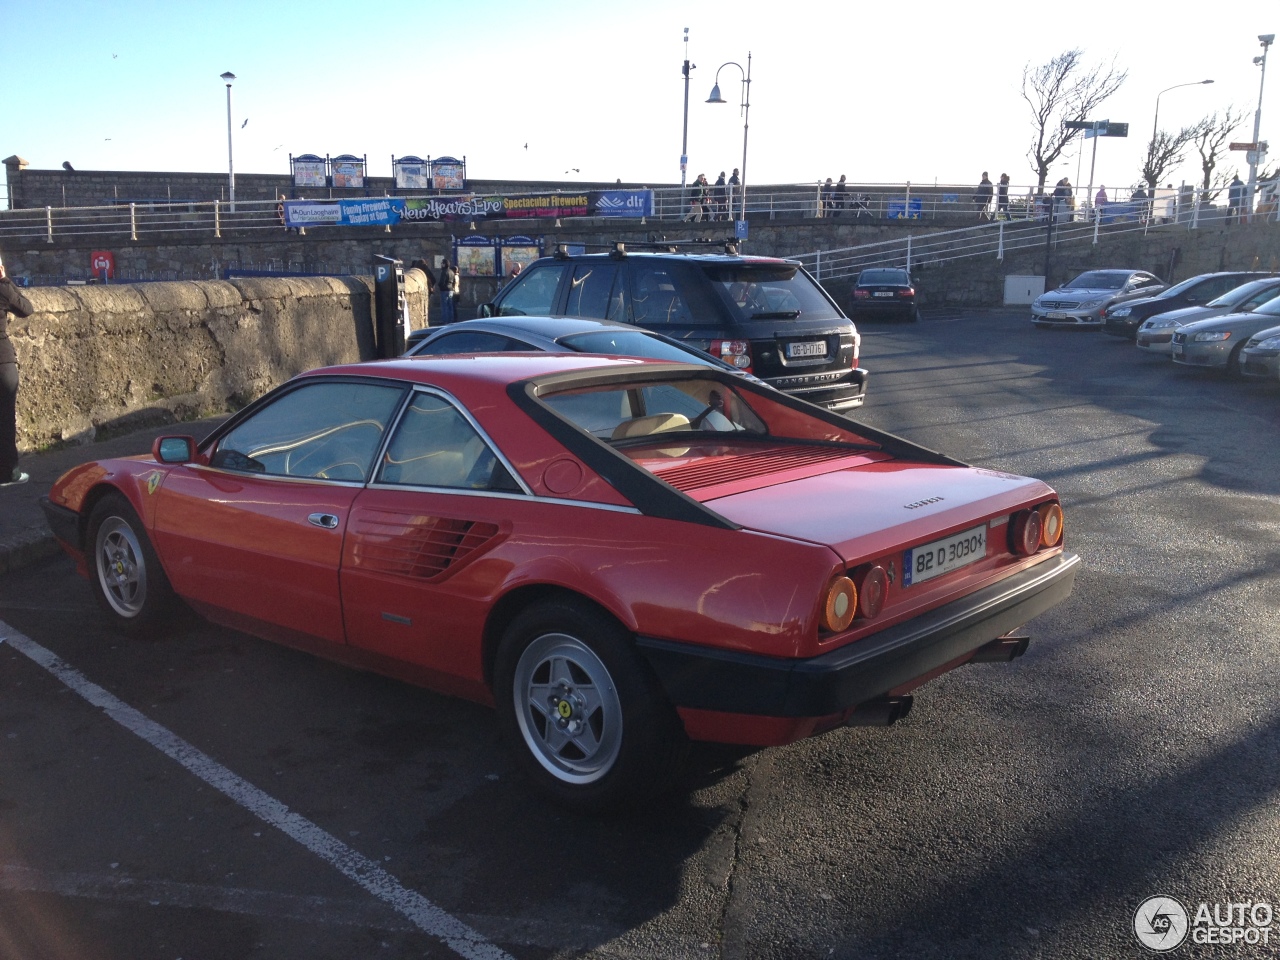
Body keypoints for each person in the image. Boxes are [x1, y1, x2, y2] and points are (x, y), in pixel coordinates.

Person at [0, 255, 34, 488]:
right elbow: (26, 308)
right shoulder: (2, 290)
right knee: (4, 420)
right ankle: (8, 473)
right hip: (1, 362)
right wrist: (5, 280)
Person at [437, 258, 460, 323]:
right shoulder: (451, 272)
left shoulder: (444, 272)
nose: (441, 265)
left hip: (444, 290)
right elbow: (454, 281)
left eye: (442, 263)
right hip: (451, 290)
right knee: (450, 306)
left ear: (444, 264)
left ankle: (445, 320)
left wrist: (440, 286)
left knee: (445, 306)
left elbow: (442, 282)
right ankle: (451, 320)